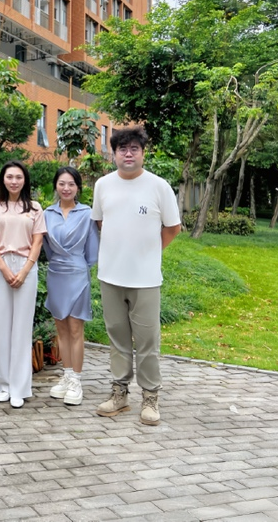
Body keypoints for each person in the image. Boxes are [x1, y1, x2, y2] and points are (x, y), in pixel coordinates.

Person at [91, 126, 181, 425]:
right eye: (122, 149)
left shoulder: (158, 186)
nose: (128, 154)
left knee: (147, 342)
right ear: (114, 153)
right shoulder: (103, 185)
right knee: (117, 339)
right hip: (110, 276)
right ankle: (119, 394)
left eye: (134, 149)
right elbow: (101, 222)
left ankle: (150, 397)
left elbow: (172, 228)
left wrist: (148, 252)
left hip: (145, 279)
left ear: (143, 153)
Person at [0, 161, 46, 408]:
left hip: (26, 266)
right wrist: (3, 268)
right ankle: (3, 384)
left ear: (25, 180)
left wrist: (24, 271)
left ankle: (20, 387)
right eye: (9, 177)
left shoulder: (34, 208)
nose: (14, 181)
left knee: (22, 328)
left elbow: (38, 241)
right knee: (0, 326)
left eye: (18, 177)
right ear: (3, 179)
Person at [43, 166, 99, 406]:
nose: (66, 188)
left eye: (71, 184)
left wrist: (79, 265)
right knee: (62, 330)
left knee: (76, 329)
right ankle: (66, 376)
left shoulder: (87, 213)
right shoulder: (47, 213)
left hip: (77, 273)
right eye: (62, 183)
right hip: (56, 272)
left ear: (78, 187)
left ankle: (76, 380)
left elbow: (92, 250)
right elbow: (45, 246)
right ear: (56, 186)